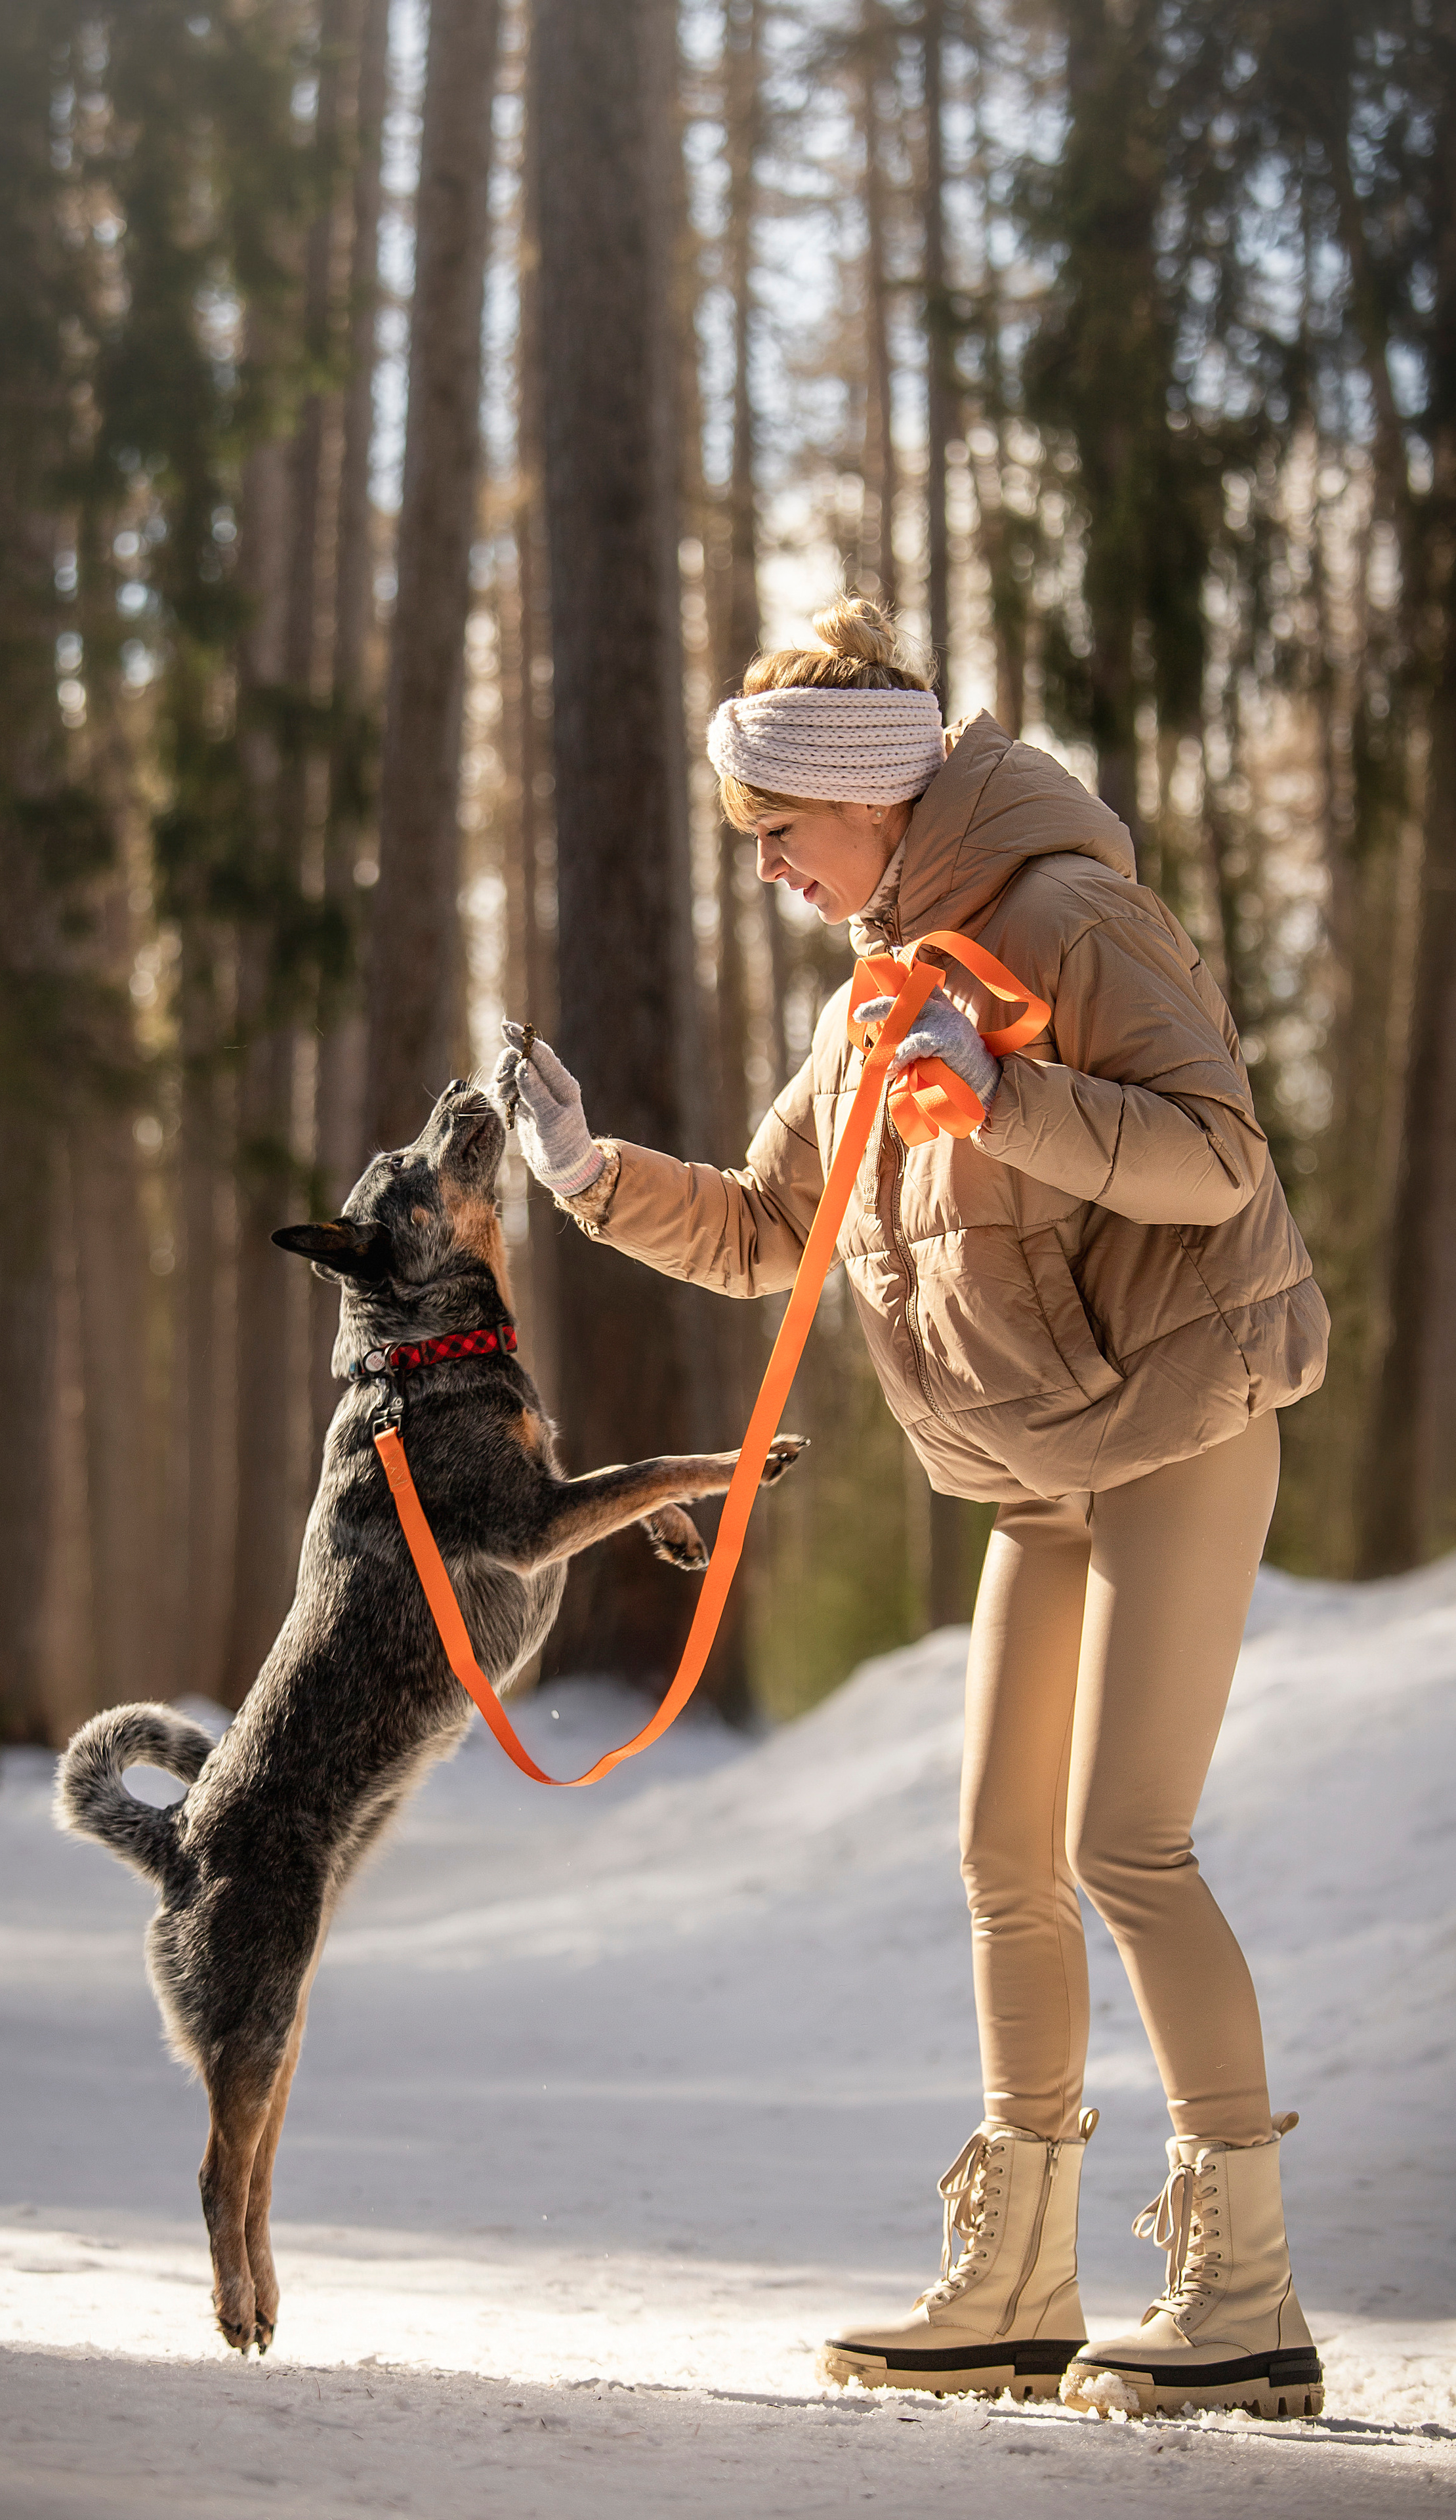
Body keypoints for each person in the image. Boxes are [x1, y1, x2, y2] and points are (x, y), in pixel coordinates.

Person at [493, 597, 1331, 2420]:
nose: (771, 868)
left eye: (780, 832)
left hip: (1180, 1422)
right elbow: (775, 1229)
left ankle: (1245, 2291)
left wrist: (1007, 1096)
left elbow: (1220, 1157)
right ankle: (1019, 2275)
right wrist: (579, 1169)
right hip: (1043, 1469)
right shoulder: (886, 982)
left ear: (869, 801)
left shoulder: (1069, 918)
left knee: (1129, 1847)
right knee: (1000, 1861)